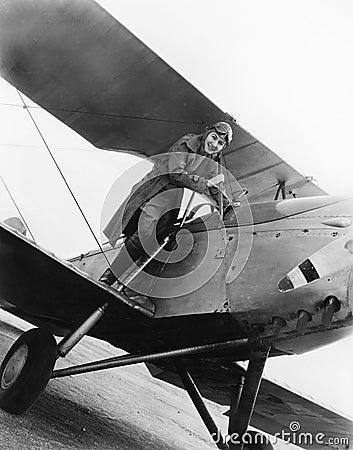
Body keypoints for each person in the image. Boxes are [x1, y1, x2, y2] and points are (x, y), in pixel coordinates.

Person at [99, 121, 233, 294]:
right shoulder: (186, 143)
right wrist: (204, 184)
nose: (214, 144)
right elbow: (175, 173)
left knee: (163, 238)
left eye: (220, 143)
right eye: (213, 138)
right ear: (207, 133)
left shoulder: (213, 159)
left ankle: (130, 285)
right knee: (144, 233)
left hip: (172, 199)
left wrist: (226, 203)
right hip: (155, 189)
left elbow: (215, 184)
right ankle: (110, 275)